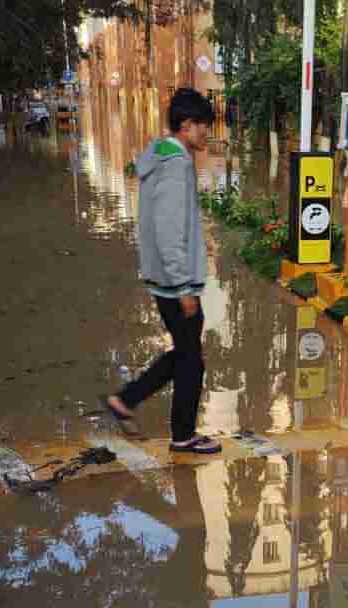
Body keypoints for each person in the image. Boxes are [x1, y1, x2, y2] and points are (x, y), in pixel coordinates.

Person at [102, 88, 221, 454]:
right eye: (204, 126)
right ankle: (181, 435)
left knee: (187, 355)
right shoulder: (176, 164)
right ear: (187, 125)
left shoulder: (161, 155)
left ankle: (126, 401)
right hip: (174, 282)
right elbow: (169, 228)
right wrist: (184, 286)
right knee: (191, 361)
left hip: (163, 277)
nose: (207, 134)